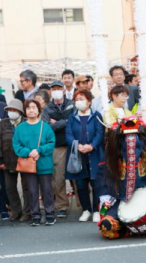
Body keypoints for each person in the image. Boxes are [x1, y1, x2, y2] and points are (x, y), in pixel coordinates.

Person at [12, 96, 55, 226]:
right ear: (25, 111)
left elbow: (51, 143)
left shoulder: (45, 126)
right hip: (28, 165)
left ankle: (50, 214)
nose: (31, 110)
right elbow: (16, 145)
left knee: (47, 190)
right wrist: (28, 152)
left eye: (34, 107)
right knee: (31, 191)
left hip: (44, 163)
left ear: (38, 110)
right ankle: (35, 215)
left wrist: (39, 150)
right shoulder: (20, 128)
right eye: (28, 108)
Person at [66, 88, 105, 223]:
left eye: (81, 99)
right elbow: (68, 134)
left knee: (96, 183)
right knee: (81, 184)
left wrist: (92, 145)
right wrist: (77, 146)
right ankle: (86, 210)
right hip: (78, 154)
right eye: (77, 99)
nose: (79, 101)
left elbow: (100, 133)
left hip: (94, 154)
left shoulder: (96, 115)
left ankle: (96, 210)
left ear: (89, 101)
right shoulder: (72, 117)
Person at [44, 78, 74, 220]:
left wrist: (57, 122)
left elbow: (74, 121)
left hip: (73, 144)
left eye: (58, 88)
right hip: (57, 145)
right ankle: (62, 206)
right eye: (53, 89)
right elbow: (47, 127)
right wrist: (65, 121)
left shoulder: (71, 104)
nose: (56, 91)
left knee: (77, 176)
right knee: (58, 178)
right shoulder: (47, 108)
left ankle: (83, 205)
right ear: (50, 91)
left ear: (63, 90)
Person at [0, 99, 26, 223]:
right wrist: (0, 160)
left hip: (24, 159)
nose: (11, 112)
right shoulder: (3, 123)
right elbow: (0, 141)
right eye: (9, 110)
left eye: (14, 110)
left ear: (20, 111)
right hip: (8, 160)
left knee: (27, 187)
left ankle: (27, 212)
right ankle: (16, 211)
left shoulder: (26, 122)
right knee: (10, 187)